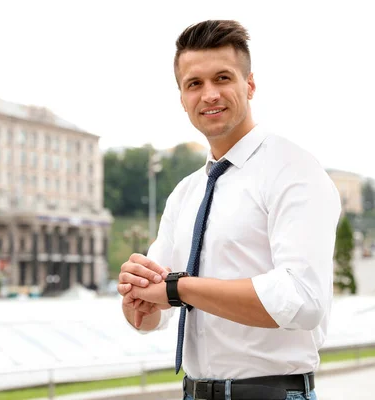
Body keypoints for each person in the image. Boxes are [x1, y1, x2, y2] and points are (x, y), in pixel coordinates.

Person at [117, 20, 341, 400]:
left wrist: (179, 288)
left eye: (223, 78)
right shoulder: (184, 194)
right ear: (182, 98)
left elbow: (302, 300)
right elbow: (154, 316)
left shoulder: (293, 169)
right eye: (194, 84)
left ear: (249, 85)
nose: (209, 95)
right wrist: (135, 295)